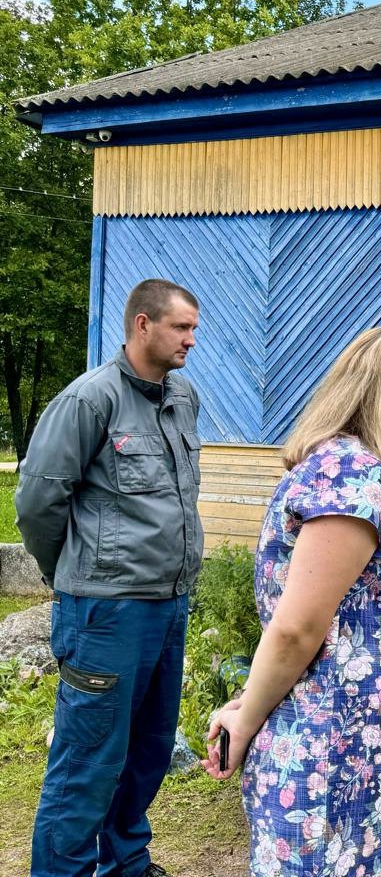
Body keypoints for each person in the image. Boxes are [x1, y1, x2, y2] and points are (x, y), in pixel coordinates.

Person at [202, 327, 381, 877]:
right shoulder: (350, 479)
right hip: (329, 740)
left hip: (346, 735)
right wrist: (247, 716)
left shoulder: (344, 470)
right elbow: (297, 627)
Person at [16, 278, 203, 877]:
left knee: (147, 752)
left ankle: (126, 863)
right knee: (89, 760)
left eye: (194, 329)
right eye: (181, 328)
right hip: (104, 612)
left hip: (167, 605)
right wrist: (69, 576)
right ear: (143, 325)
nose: (190, 340)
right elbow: (37, 503)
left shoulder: (182, 396)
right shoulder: (89, 401)